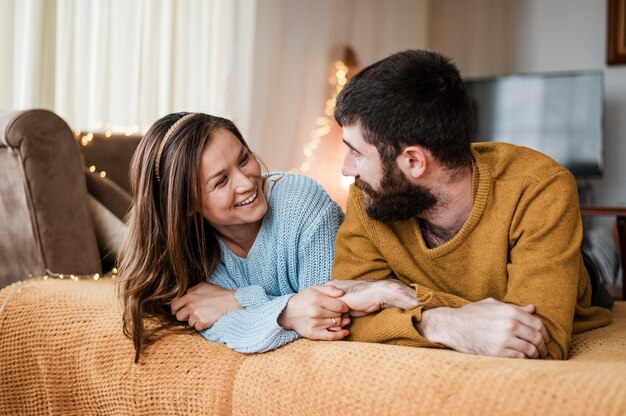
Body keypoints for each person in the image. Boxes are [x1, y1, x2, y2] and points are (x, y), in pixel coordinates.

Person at [329, 49, 612, 360]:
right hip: (489, 281)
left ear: (413, 160)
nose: (347, 169)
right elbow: (343, 320)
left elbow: (537, 340)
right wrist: (439, 325)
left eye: (355, 152)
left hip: (584, 281)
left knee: (594, 260)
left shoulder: (540, 186)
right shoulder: (370, 193)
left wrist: (403, 296)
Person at [117, 112, 348, 362]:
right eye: (221, 181)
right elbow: (214, 326)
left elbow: (329, 316)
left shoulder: (301, 201)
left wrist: (237, 301)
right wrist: (289, 312)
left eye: (244, 159)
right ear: (186, 204)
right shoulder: (189, 252)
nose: (246, 183)